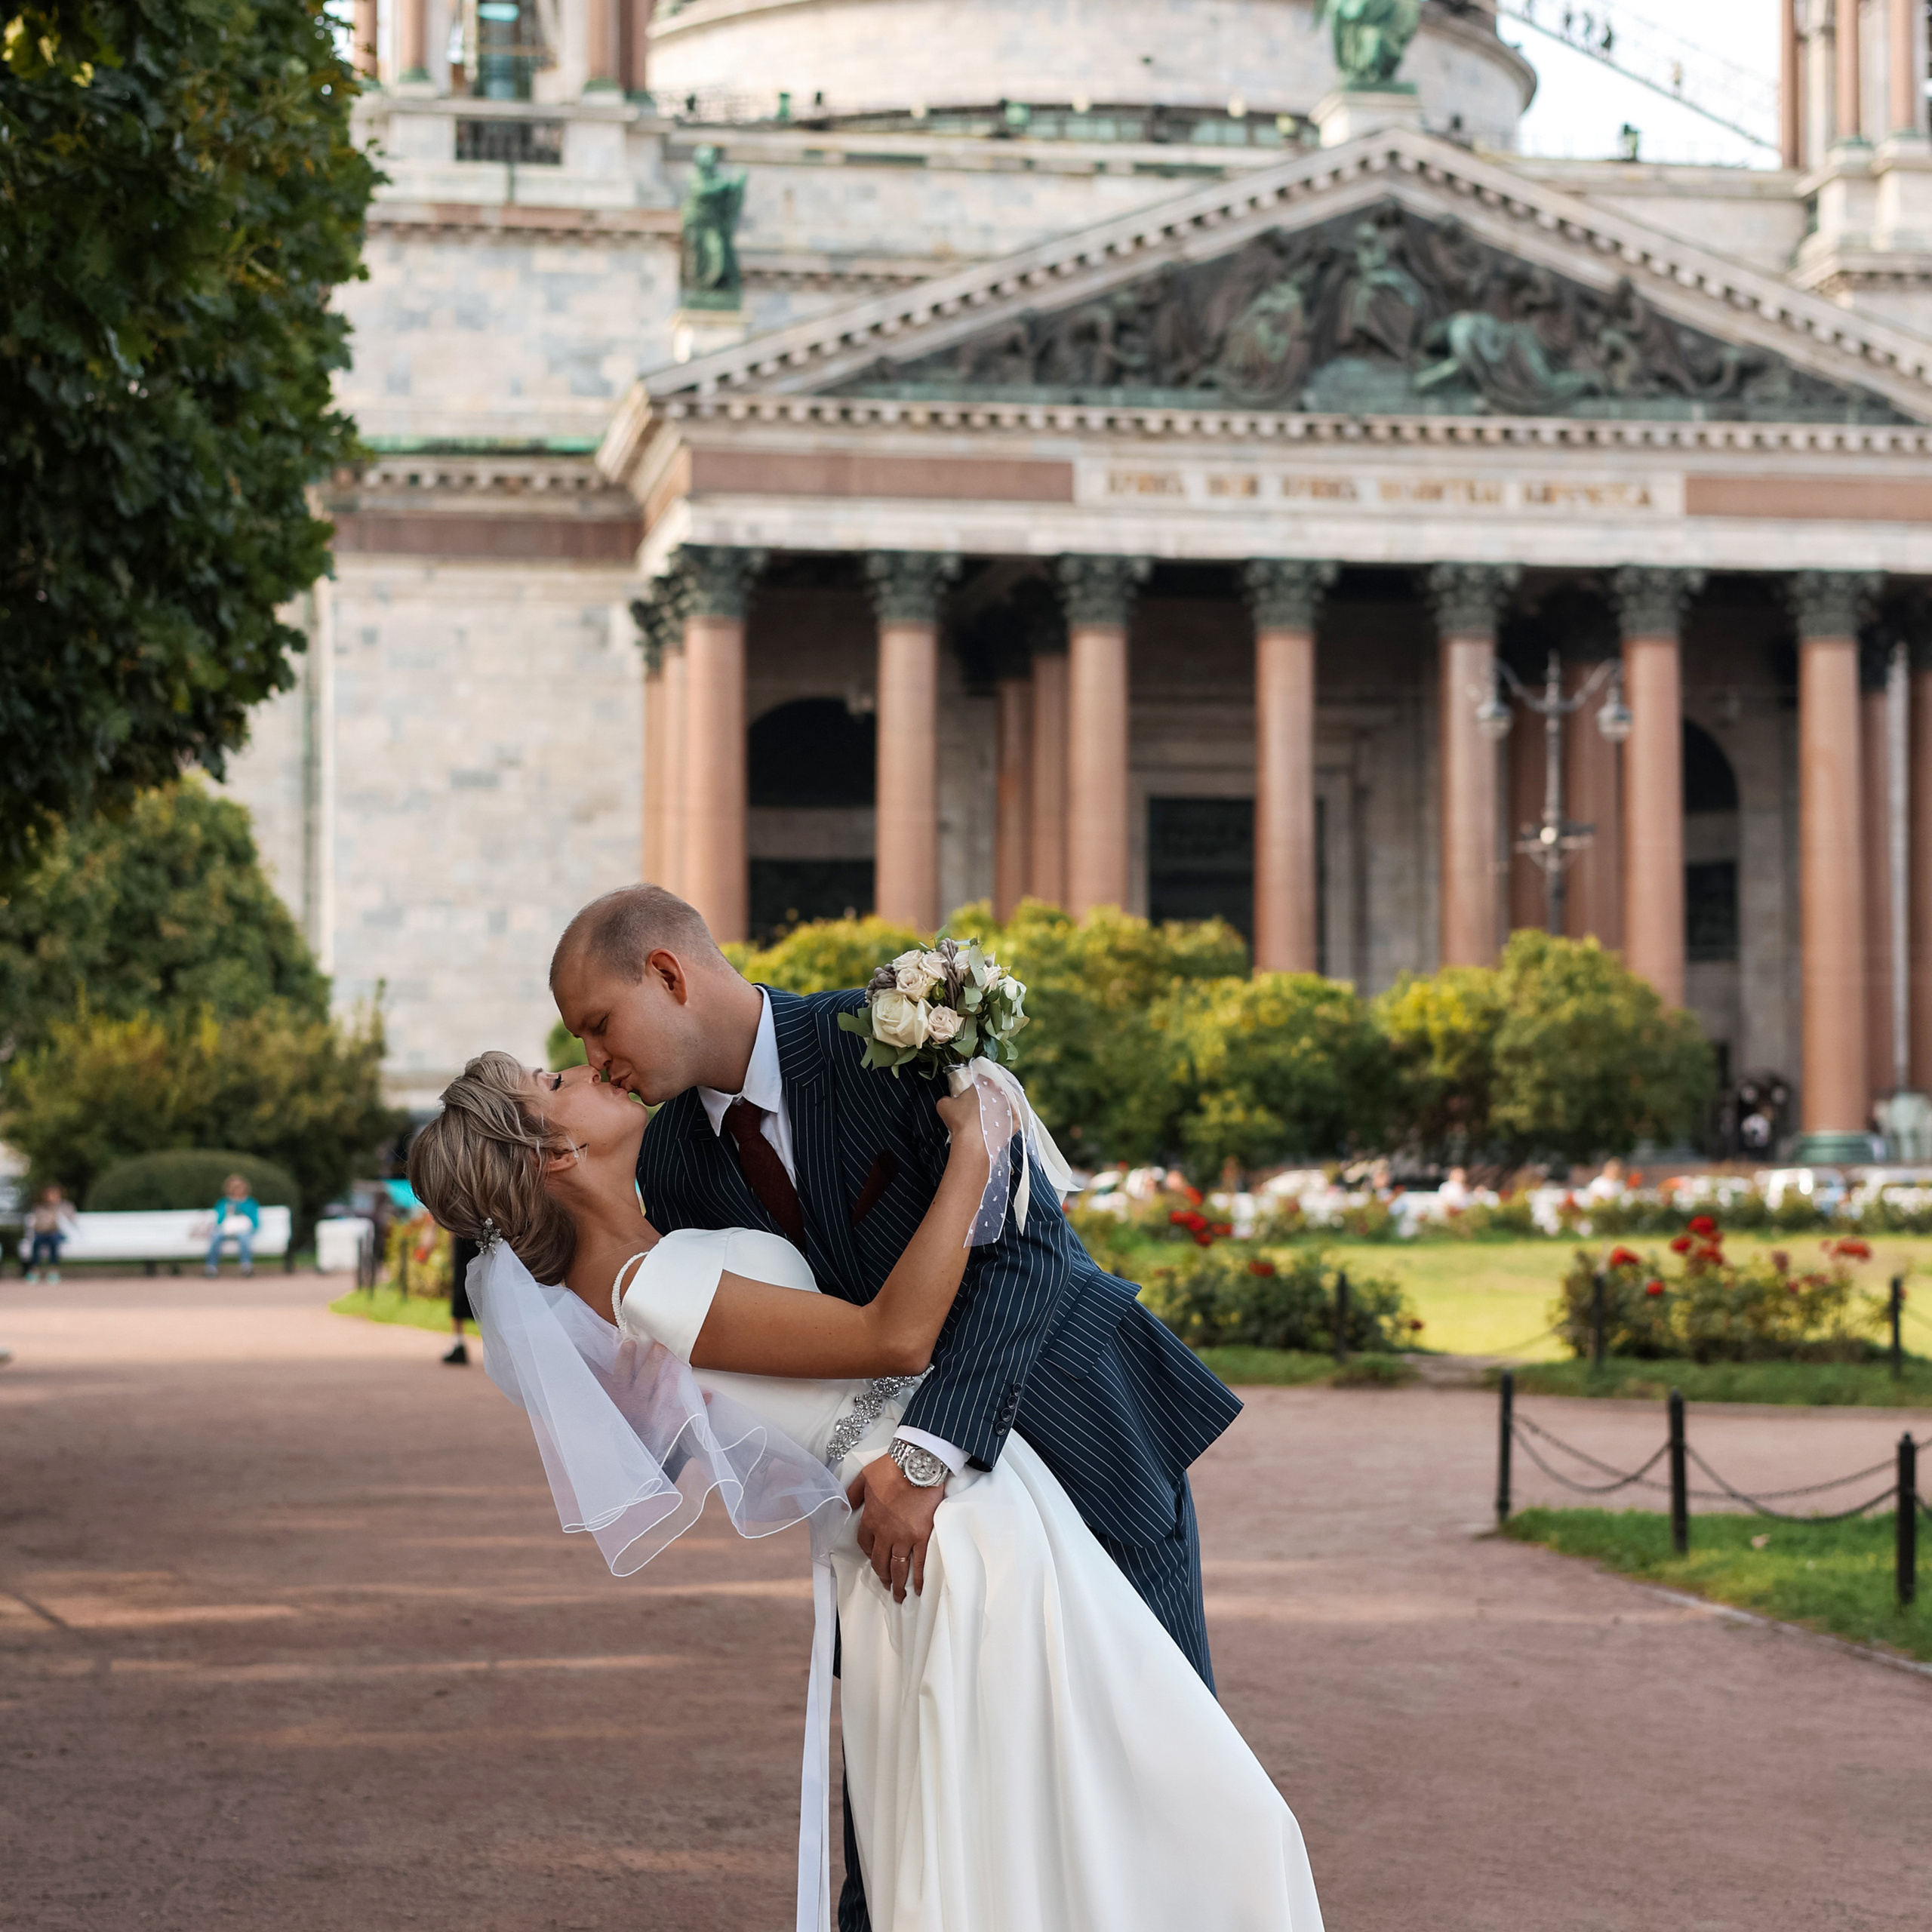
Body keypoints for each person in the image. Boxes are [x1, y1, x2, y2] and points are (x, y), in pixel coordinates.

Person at [408, 1050, 1322, 1932]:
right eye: (558, 1081)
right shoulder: (651, 1283)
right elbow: (894, 1338)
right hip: (954, 1535)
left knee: (1050, 1823)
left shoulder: (647, 1259)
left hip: (947, 1518)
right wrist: (975, 1147)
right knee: (1170, 1808)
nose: (591, 1066)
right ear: (556, 1154)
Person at [551, 888, 1250, 1932]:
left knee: (1164, 1783)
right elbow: (779, 1358)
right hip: (896, 1541)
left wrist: (927, 1457)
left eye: (597, 1024)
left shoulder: (879, 1038)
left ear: (666, 972)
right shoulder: (673, 1165)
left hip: (1082, 1440)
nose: (597, 1058)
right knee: (900, 1839)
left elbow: (1029, 1253)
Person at [204, 1174, 260, 1277]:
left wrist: (242, 1209)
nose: (238, 1190)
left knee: (245, 1238)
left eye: (240, 1188)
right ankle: (211, 1267)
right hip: (227, 1229)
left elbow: (255, 1221)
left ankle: (246, 1266)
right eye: (235, 1188)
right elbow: (219, 1220)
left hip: (244, 1229)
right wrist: (227, 1210)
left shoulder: (250, 1202)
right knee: (215, 1236)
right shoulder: (224, 1202)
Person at [24, 1185, 77, 1284]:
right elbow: (35, 1223)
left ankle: (53, 1270)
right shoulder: (40, 1207)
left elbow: (71, 1219)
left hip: (56, 1234)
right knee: (36, 1243)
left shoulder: (64, 1206)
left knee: (54, 1241)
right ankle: (35, 1270)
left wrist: (58, 1207)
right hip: (42, 1234)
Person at [445, 1232, 478, 1364]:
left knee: (460, 1284)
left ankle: (458, 1341)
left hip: (465, 1235)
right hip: (480, 1236)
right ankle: (458, 1342)